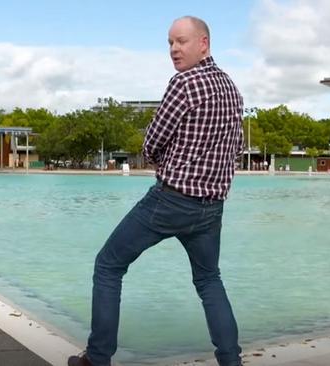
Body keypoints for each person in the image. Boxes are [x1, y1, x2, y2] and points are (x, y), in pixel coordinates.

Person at [68, 16, 244, 366]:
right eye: (170, 43)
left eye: (181, 41)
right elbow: (236, 147)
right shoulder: (231, 88)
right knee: (209, 280)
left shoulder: (184, 84)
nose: (174, 50)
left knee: (108, 265)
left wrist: (168, 158)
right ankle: (231, 361)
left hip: (171, 200)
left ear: (204, 43)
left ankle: (98, 358)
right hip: (211, 208)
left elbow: (151, 144)